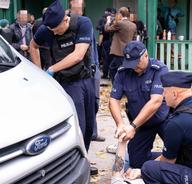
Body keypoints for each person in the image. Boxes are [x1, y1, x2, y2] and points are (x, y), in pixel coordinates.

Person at [30, 0, 96, 154]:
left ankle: (84, 154)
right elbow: (33, 46)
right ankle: (78, 159)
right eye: (50, 29)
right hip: (67, 83)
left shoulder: (83, 23)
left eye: (56, 29)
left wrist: (51, 69)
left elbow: (78, 55)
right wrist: (39, 71)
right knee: (79, 124)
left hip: (86, 77)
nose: (53, 33)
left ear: (65, 19)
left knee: (90, 125)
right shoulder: (47, 29)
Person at [109, 41, 169, 169]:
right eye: (130, 63)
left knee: (181, 149)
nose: (134, 66)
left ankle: (171, 158)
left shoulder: (159, 69)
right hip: (142, 122)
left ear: (146, 55)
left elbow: (156, 101)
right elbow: (113, 100)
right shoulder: (123, 72)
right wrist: (120, 124)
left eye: (137, 62)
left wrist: (132, 126)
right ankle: (163, 161)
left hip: (163, 119)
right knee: (136, 161)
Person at [69, 0, 105, 143]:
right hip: (77, 71)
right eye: (74, 8)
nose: (77, 11)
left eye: (79, 8)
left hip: (92, 68)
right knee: (80, 104)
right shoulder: (68, 24)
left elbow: (93, 48)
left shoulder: (86, 23)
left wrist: (96, 68)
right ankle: (82, 135)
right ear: (70, 9)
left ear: (83, 10)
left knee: (94, 102)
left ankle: (93, 132)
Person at [105, 7, 136, 82]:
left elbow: (107, 29)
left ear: (120, 14)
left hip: (118, 52)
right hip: (128, 51)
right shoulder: (133, 25)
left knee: (114, 69)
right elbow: (134, 38)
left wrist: (108, 21)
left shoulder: (120, 23)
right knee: (122, 69)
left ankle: (117, 86)